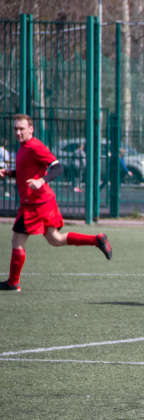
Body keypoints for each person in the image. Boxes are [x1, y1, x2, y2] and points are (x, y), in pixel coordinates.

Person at [0, 114, 111, 292]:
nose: (18, 132)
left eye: (22, 129)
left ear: (31, 129)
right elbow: (27, 172)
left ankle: (13, 283)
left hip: (35, 205)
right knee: (55, 239)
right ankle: (96, 240)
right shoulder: (23, 147)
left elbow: (58, 167)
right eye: (15, 129)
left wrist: (41, 181)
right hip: (43, 202)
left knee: (17, 240)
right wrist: (10, 173)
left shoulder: (35, 146)